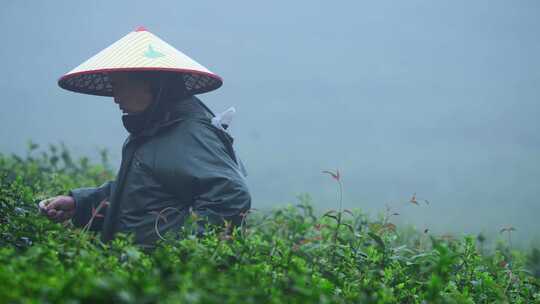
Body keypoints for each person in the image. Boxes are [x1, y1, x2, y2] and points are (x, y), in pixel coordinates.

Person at [39, 27, 251, 249]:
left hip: (164, 277)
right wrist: (79, 204)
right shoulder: (154, 130)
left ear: (151, 85)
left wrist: (186, 252)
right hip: (136, 272)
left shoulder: (189, 132)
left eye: (120, 86)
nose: (115, 97)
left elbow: (231, 195)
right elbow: (139, 192)